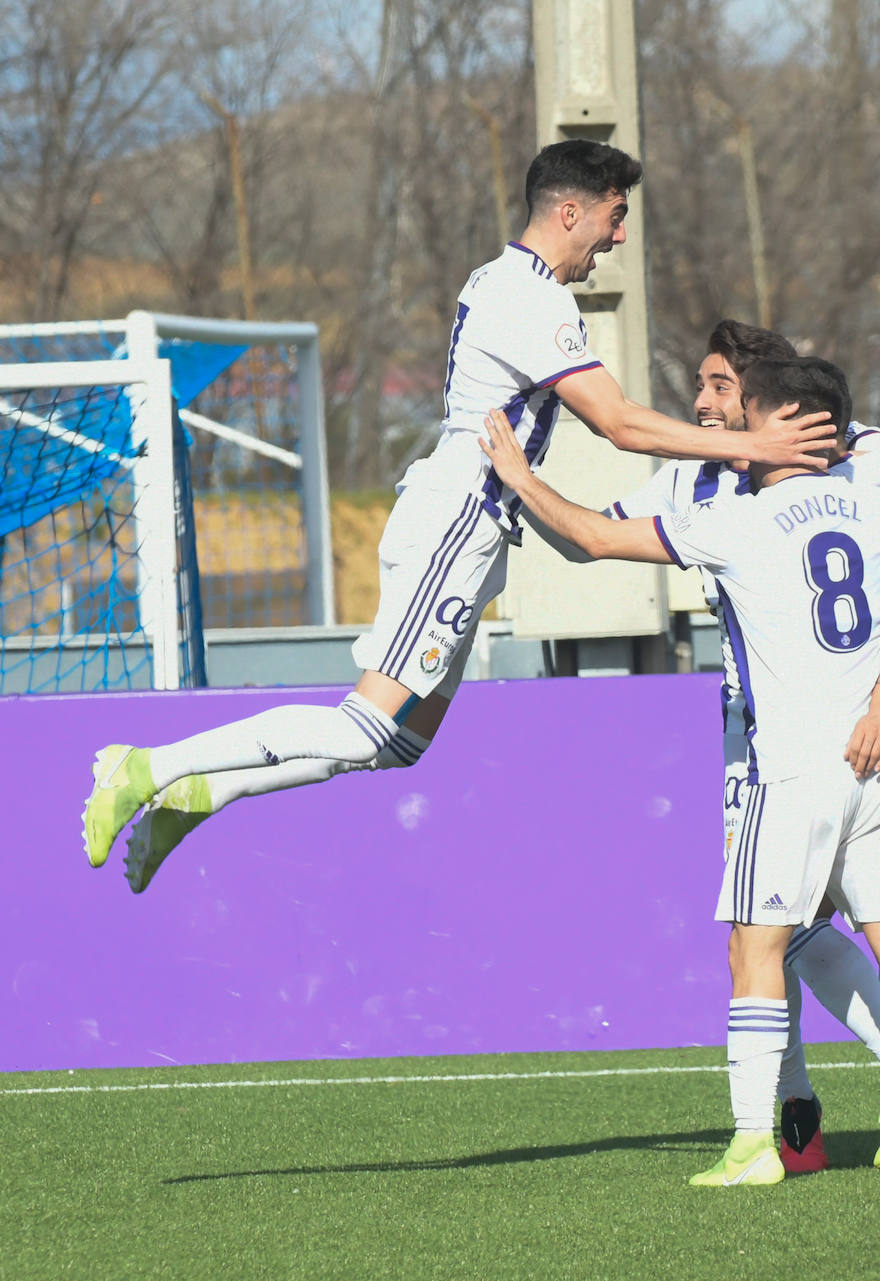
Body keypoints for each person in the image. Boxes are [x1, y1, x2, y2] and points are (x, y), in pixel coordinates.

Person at [81, 139, 835, 885]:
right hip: (457, 520)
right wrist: (755, 448)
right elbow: (619, 422)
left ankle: (198, 794)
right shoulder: (529, 297)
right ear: (570, 211)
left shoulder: (512, 282)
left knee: (401, 744)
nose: (618, 236)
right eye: (614, 216)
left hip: (476, 529)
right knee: (364, 724)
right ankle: (146, 766)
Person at [481, 356, 880, 1185]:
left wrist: (516, 474)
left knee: (756, 952)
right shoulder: (874, 509)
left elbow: (593, 537)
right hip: (878, 764)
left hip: (788, 773)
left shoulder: (741, 523)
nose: (738, 431)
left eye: (753, 415)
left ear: (788, 427)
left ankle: (755, 1143)